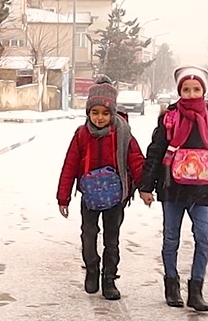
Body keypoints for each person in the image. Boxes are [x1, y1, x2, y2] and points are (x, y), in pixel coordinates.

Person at [138, 66, 208, 311]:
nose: (191, 94)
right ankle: (172, 287)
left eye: (196, 89)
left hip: (202, 191)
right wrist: (146, 186)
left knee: (204, 237)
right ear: (179, 91)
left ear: (203, 91)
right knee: (171, 239)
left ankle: (196, 290)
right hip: (172, 189)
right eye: (186, 89)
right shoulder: (169, 118)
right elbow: (155, 152)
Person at [56, 82, 145, 299]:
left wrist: (145, 187)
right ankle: (92, 268)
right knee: (88, 234)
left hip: (116, 197)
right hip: (89, 197)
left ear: (112, 112)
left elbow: (136, 160)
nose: (99, 118)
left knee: (111, 239)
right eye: (94, 113)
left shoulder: (123, 133)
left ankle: (109, 279)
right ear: (88, 113)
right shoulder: (82, 134)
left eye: (105, 113)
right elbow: (70, 164)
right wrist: (63, 197)